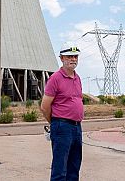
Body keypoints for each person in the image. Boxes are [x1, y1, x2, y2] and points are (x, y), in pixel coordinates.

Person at [40, 42, 84, 181]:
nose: (73, 59)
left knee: (74, 166)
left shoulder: (77, 78)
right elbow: (45, 106)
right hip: (62, 126)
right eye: (69, 56)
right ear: (62, 58)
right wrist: (54, 123)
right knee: (60, 169)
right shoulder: (55, 79)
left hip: (77, 127)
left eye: (75, 56)